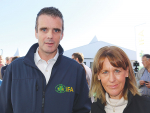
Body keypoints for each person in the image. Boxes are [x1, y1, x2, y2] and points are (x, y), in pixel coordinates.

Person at [0, 7, 91, 113]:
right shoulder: (15, 68)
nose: (50, 36)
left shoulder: (75, 70)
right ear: (36, 32)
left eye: (56, 30)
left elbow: (82, 110)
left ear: (62, 35)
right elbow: (4, 108)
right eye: (44, 29)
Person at [89, 46, 150, 113]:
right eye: (105, 72)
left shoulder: (146, 106)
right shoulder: (94, 108)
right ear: (98, 75)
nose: (112, 79)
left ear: (127, 72)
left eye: (117, 71)